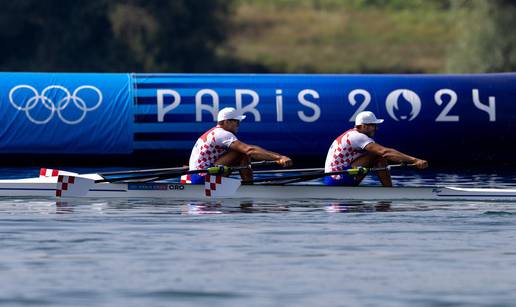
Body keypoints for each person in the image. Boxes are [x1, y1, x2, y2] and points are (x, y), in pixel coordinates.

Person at [187, 107, 292, 184]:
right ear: (227, 122)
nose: (238, 125)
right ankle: (249, 187)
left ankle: (246, 185)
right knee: (242, 152)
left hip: (196, 176)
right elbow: (249, 150)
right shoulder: (221, 133)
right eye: (237, 121)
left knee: (240, 152)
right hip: (202, 179)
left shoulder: (213, 132)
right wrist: (280, 157)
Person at [324, 111, 428, 187]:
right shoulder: (357, 137)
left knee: (376, 155)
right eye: (373, 125)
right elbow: (385, 152)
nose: (376, 128)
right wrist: (415, 160)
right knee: (378, 155)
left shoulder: (351, 134)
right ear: (364, 126)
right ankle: (389, 192)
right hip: (338, 179)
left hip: (335, 177)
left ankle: (388, 190)